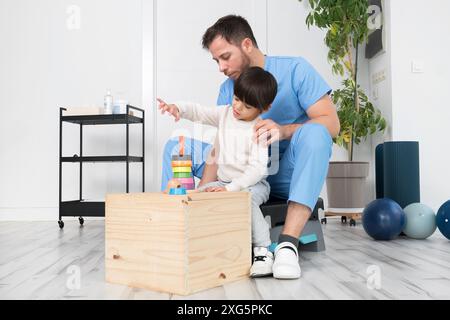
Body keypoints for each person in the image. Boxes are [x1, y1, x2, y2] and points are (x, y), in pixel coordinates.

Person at [161, 15, 340, 279]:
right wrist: (201, 196)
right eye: (216, 61)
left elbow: (332, 124)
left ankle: (287, 245)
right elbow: (220, 147)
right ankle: (177, 227)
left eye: (225, 57)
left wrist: (283, 131)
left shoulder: (295, 70)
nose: (221, 67)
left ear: (246, 45)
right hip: (239, 169)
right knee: (176, 145)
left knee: (317, 133)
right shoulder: (228, 88)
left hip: (283, 172)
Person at [158, 67, 278, 277]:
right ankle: (193, 240)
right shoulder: (225, 114)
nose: (238, 106)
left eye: (247, 105)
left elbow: (257, 170)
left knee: (245, 200)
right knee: (200, 195)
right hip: (224, 183)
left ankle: (263, 251)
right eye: (236, 98)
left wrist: (233, 188)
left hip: (252, 185)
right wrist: (177, 108)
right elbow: (199, 112)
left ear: (264, 108)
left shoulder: (259, 129)